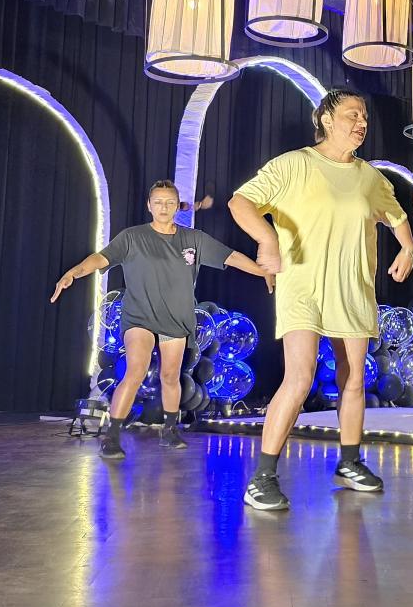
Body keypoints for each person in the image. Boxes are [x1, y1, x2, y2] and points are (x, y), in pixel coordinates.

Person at [228, 87, 413, 512]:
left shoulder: (370, 178)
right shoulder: (294, 164)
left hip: (353, 289)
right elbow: (240, 202)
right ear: (327, 120)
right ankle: (262, 478)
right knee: (300, 377)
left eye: (364, 116)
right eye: (352, 114)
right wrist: (267, 240)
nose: (361, 122)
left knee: (354, 380)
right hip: (303, 287)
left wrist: (408, 248)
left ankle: (349, 463)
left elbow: (397, 217)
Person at [51, 181, 269, 459]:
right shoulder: (133, 237)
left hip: (175, 319)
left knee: (170, 375)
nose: (163, 207)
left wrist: (263, 271)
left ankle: (170, 430)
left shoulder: (194, 239)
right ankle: (112, 436)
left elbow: (231, 256)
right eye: (158, 202)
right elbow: (100, 258)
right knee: (136, 370)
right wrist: (74, 272)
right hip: (139, 317)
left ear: (177, 206)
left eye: (169, 202)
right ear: (149, 205)